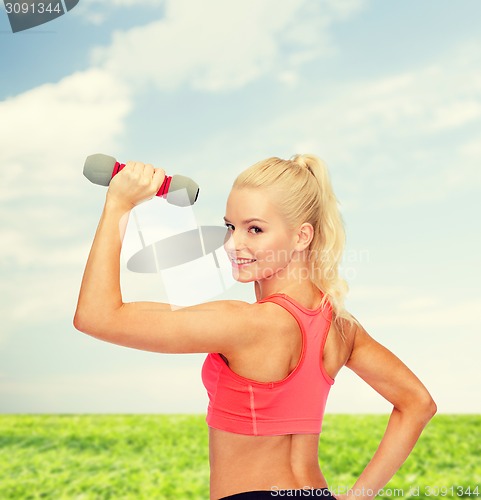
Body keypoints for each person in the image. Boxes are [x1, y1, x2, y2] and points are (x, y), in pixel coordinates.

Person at [74, 154, 437, 500]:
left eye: (255, 229)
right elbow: (417, 404)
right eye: (231, 226)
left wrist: (118, 205)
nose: (234, 244)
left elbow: (96, 316)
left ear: (302, 237)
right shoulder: (341, 325)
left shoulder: (246, 324)